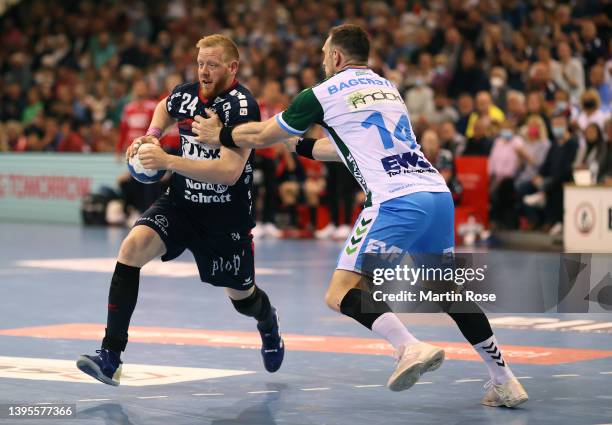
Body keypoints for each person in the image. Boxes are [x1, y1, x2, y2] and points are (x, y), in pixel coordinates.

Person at [192, 24, 528, 408]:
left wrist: (221, 134)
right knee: (448, 292)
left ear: (336, 56)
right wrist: (298, 147)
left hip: (394, 200)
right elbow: (347, 150)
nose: (321, 60)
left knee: (341, 292)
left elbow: (263, 133)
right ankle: (505, 380)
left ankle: (409, 347)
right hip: (435, 194)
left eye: (323, 53)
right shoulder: (387, 87)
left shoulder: (321, 93)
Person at [76, 34, 284, 386]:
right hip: (181, 203)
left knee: (242, 298)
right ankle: (110, 357)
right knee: (131, 248)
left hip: (224, 217)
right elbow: (164, 105)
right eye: (200, 63)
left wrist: (168, 159)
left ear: (232, 67)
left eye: (212, 64)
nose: (204, 71)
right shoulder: (187, 93)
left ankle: (268, 323)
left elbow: (229, 172)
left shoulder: (242, 107)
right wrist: (152, 135)